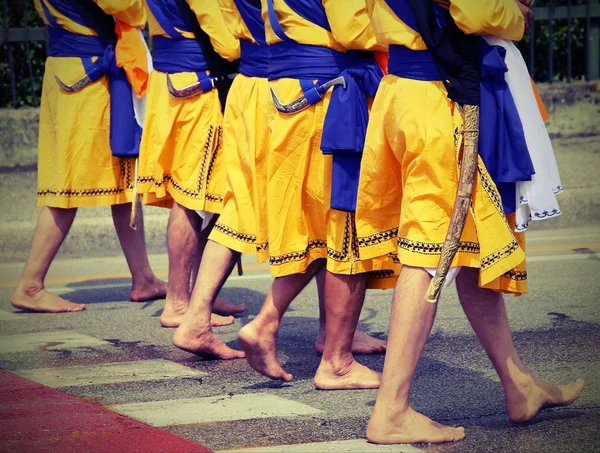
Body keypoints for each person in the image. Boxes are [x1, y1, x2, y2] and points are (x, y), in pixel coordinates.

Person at [354, 0, 585, 444]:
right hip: (437, 98)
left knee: (465, 242)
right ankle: (391, 410)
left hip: (406, 91)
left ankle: (519, 384)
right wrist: (515, 14)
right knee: (432, 253)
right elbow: (477, 11)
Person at [172, 0, 394, 361]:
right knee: (323, 213)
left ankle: (197, 316)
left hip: (257, 84)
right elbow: (349, 28)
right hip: (303, 86)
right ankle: (320, 334)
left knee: (244, 208)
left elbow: (230, 42)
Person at [11, 0, 166, 314]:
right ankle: (30, 284)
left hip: (73, 68)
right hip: (89, 72)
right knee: (66, 185)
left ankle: (143, 277)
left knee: (123, 177)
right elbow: (125, 5)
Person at [137, 0, 244, 328]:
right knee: (191, 198)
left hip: (175, 80)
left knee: (203, 196)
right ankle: (179, 302)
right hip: (199, 85)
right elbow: (227, 44)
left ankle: (199, 294)